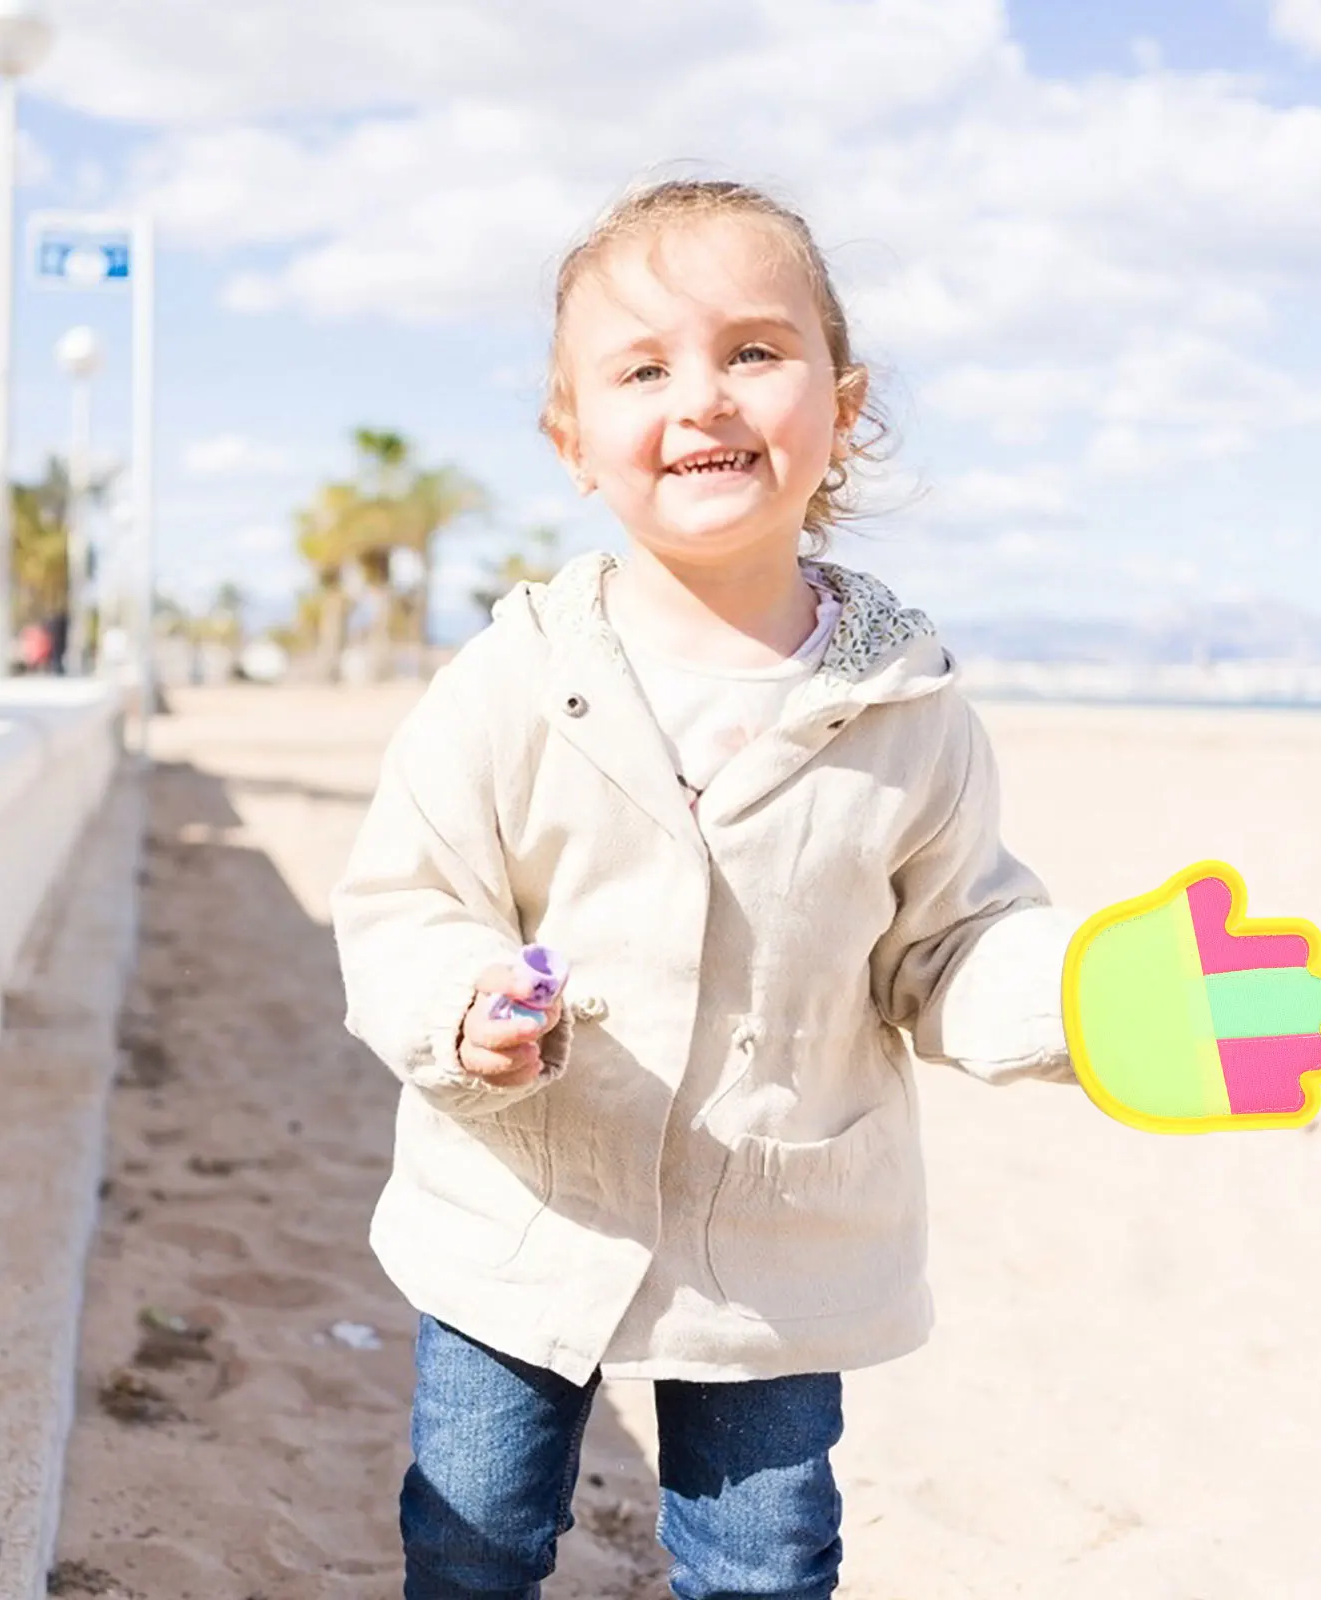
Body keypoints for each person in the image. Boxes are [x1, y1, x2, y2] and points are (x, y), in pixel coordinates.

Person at [331, 177, 1080, 1600]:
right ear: (573, 438)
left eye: (752, 350)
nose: (707, 398)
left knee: (765, 1558)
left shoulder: (906, 706)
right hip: (521, 1201)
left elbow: (957, 941)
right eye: (643, 367)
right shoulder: (511, 681)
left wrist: (1094, 996)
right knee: (473, 1533)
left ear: (841, 409)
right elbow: (408, 899)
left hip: (774, 1234)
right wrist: (464, 1001)